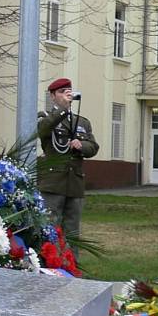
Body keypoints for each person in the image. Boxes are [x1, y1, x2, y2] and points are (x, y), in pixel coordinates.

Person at [37, 78, 99, 250]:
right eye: (61, 92)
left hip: (75, 183)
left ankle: (71, 269)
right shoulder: (46, 118)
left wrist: (81, 146)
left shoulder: (82, 122)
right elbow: (43, 130)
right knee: (49, 228)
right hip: (53, 183)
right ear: (53, 96)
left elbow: (93, 147)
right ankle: (48, 266)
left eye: (68, 92)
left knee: (72, 233)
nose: (66, 95)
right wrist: (62, 110)